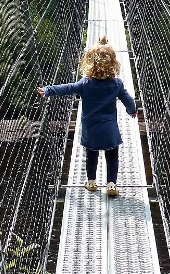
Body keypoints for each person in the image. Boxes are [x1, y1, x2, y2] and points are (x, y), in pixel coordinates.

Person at [37, 35, 137, 196]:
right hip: (109, 128)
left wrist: (48, 90)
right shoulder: (116, 84)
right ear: (112, 64)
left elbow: (67, 88)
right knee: (112, 155)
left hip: (90, 128)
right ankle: (111, 184)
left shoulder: (85, 83)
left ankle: (91, 182)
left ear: (89, 62)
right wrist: (132, 110)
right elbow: (127, 99)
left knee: (91, 155)